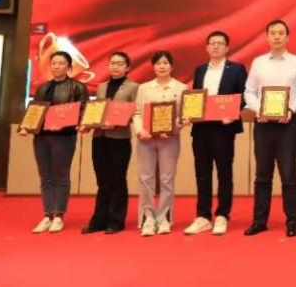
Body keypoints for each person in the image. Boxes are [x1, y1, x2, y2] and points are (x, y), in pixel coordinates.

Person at [243, 19, 296, 237]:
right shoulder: (258, 63)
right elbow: (249, 91)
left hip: (287, 124)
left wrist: (290, 110)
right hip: (263, 125)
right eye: (273, 33)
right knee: (262, 175)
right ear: (267, 37)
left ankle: (292, 221)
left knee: (289, 175)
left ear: (287, 37)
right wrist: (258, 110)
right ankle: (259, 221)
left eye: (281, 33)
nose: (277, 36)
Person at [185, 31, 247, 236]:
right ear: (207, 47)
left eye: (220, 43)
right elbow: (196, 98)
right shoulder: (200, 70)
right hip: (201, 128)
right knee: (202, 173)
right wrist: (191, 113)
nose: (216, 46)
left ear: (227, 48)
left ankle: (222, 215)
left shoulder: (236, 69)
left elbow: (245, 96)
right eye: (212, 43)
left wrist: (233, 113)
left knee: (224, 173)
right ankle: (203, 216)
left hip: (224, 128)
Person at [22, 51, 88, 233]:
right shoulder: (43, 87)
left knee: (61, 176)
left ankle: (59, 215)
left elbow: (83, 110)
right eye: (54, 63)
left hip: (64, 136)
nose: (57, 66)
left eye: (61, 63)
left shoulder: (77, 87)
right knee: (46, 177)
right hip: (41, 136)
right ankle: (47, 215)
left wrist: (75, 123)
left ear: (69, 66)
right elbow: (35, 110)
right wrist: (26, 126)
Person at [82, 51, 138, 235]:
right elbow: (96, 111)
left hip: (119, 139)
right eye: (113, 63)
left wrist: (118, 121)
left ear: (127, 67)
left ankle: (116, 220)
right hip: (99, 137)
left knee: (117, 179)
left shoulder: (133, 87)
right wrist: (87, 123)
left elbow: (136, 113)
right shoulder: (101, 87)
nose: (116, 67)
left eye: (120, 64)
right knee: (102, 180)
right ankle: (99, 219)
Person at [133, 50, 188, 236]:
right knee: (145, 178)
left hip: (169, 140)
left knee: (166, 179)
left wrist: (173, 128)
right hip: (146, 140)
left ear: (171, 66)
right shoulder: (144, 88)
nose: (162, 66)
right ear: (153, 66)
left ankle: (164, 217)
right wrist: (140, 131)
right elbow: (137, 113)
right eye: (158, 63)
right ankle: (148, 218)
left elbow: (183, 115)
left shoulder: (181, 88)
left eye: (165, 63)